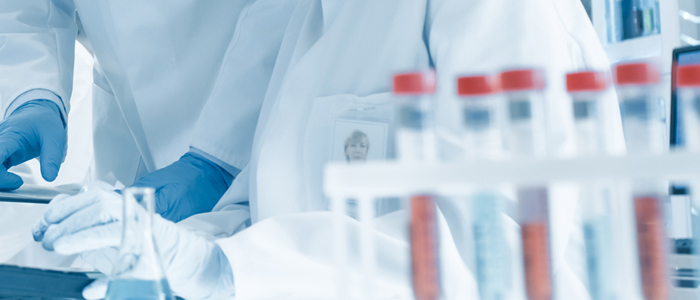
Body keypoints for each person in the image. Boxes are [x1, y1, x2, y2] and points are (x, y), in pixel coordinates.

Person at [33, 0, 623, 298]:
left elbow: (507, 259)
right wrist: (170, 250)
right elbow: (274, 210)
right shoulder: (315, 20)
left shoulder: (505, 12)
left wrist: (222, 268)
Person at [0, 0, 293, 222]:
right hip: (129, 125)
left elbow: (286, 12)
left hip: (258, 119)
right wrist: (34, 92)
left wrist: (220, 157)